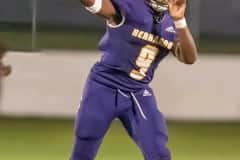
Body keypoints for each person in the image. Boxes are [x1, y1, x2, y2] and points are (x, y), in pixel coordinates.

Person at [70, 0, 197, 159]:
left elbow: (190, 58)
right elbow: (96, 4)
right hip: (104, 86)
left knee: (158, 152)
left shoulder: (172, 21)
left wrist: (180, 21)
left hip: (138, 93)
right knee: (83, 150)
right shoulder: (130, 5)